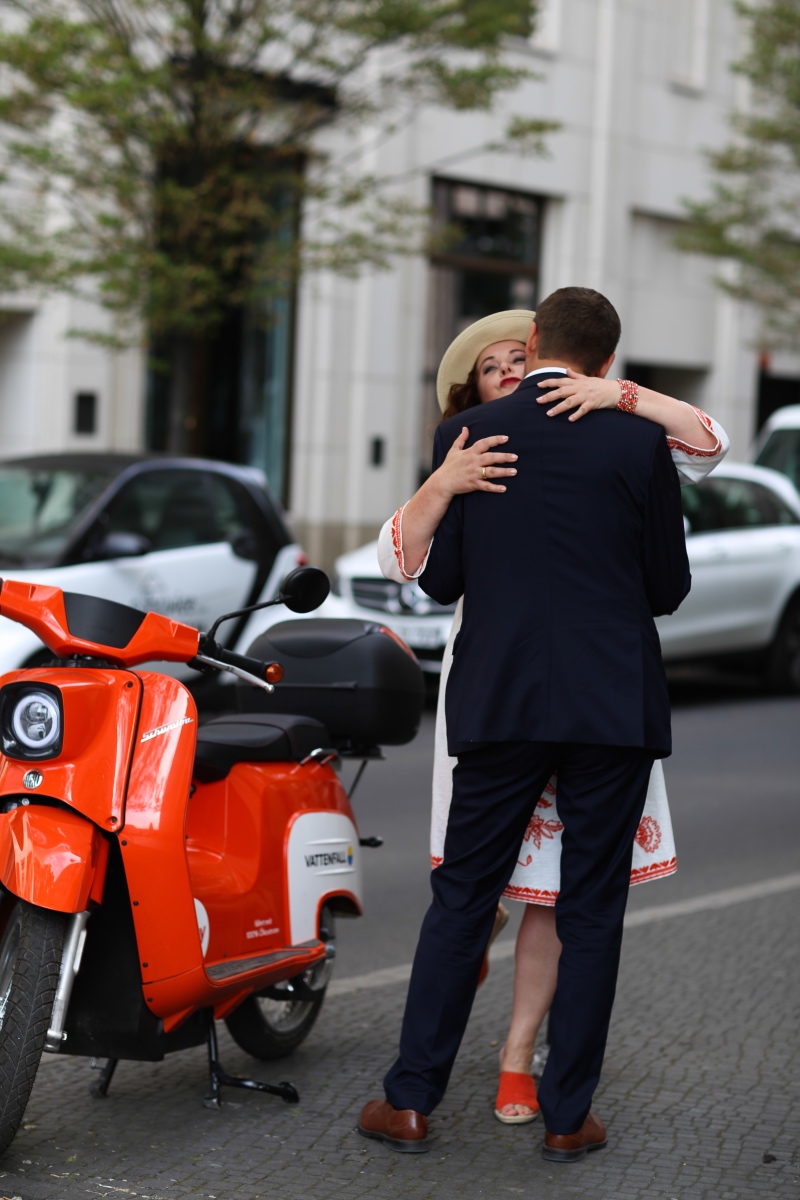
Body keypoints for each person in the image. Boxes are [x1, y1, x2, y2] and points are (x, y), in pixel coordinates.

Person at [358, 287, 692, 1160]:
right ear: (609, 364)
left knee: (462, 901)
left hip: (500, 699)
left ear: (534, 339)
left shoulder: (469, 437)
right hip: (612, 703)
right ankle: (566, 1115)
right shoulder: (637, 436)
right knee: (591, 911)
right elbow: (667, 588)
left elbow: (439, 583)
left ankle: (410, 1101)